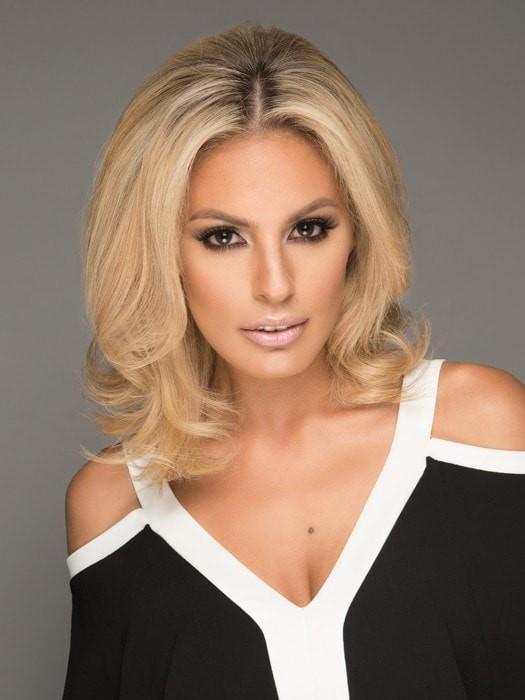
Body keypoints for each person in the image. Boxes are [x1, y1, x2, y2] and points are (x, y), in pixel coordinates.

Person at [62, 21, 525, 700]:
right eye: (223, 237)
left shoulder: (481, 435)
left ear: (357, 232)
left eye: (308, 229)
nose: (274, 285)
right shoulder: (113, 511)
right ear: (162, 254)